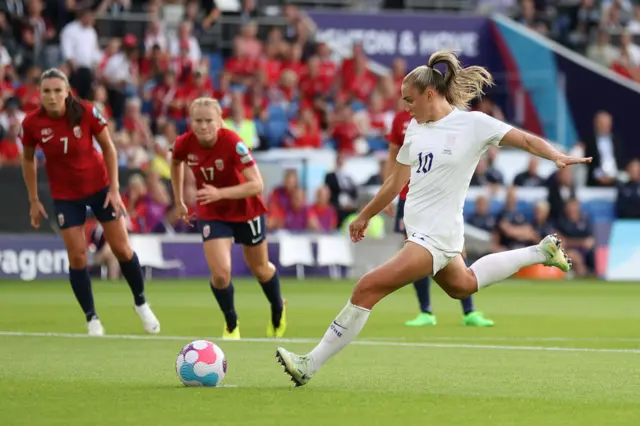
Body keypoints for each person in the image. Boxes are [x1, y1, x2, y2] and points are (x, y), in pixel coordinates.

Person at [275, 50, 590, 386]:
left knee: (366, 288)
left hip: (435, 237)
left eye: (409, 100)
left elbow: (523, 138)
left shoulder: (473, 124)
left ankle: (309, 364)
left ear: (430, 94)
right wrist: (364, 215)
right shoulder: (415, 128)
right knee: (463, 285)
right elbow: (396, 181)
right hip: (422, 233)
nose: (405, 107)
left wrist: (555, 155)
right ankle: (540, 252)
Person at [20, 68, 160, 337]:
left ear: (67, 92)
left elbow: (109, 147)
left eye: (57, 91)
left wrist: (115, 190)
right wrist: (34, 199)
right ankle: (91, 318)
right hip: (66, 196)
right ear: (39, 94)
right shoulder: (32, 124)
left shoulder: (86, 112)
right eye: (46, 91)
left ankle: (141, 302)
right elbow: (28, 159)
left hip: (100, 188)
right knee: (77, 256)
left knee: (122, 249)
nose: (52, 96)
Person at [170, 97, 286, 340]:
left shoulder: (233, 142)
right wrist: (179, 199)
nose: (203, 126)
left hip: (246, 209)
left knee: (260, 269)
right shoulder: (185, 143)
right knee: (221, 274)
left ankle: (278, 306)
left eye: (208, 120)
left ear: (220, 121)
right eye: (198, 121)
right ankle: (231, 322)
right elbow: (176, 161)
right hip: (213, 211)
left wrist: (219, 193)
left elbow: (257, 184)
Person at [387, 109, 494, 327]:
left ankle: (469, 311)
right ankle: (426, 311)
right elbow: (393, 155)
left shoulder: (442, 117)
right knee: (414, 252)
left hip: (439, 196)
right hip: (410, 198)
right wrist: (389, 190)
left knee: (456, 249)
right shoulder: (400, 120)